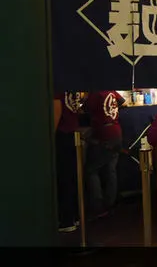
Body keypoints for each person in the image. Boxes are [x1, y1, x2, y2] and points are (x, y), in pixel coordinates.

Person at [85, 90, 127, 219]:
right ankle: (110, 204)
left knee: (92, 170)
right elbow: (124, 103)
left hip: (104, 134)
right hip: (116, 133)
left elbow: (84, 109)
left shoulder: (95, 92)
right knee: (110, 169)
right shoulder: (110, 89)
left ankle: (98, 207)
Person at [54, 91, 83, 232]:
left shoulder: (57, 86)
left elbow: (56, 110)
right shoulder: (72, 84)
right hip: (73, 133)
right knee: (73, 176)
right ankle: (75, 217)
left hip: (62, 134)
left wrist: (49, 136)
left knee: (64, 178)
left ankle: (66, 220)